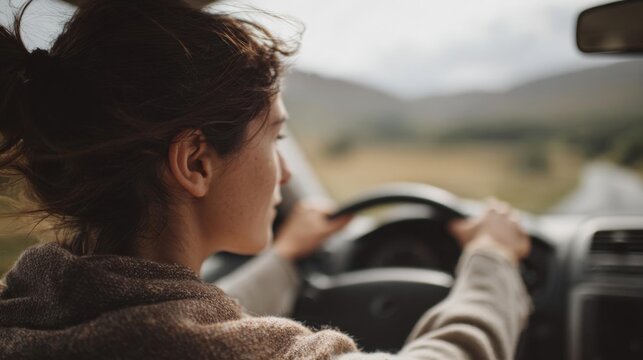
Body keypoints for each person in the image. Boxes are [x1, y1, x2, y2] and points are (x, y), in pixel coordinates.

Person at [0, 0, 531, 359]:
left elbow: (171, 319)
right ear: (195, 164)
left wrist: (284, 259)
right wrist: (492, 261)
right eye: (276, 139)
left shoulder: (27, 312)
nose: (288, 171)